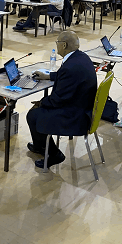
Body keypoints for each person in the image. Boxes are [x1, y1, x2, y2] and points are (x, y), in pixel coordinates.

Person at [26, 32, 98, 168]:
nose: (56, 45)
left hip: (75, 115)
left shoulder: (70, 67)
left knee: (33, 115)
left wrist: (41, 102)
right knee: (38, 111)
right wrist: (48, 76)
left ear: (63, 45)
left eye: (57, 42)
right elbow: (66, 77)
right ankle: (40, 146)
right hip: (83, 106)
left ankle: (53, 154)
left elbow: (58, 99)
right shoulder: (81, 57)